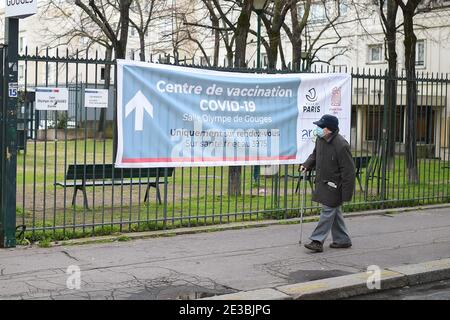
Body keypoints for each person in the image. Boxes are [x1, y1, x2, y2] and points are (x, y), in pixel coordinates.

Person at [300, 114, 355, 253]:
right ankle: (343, 240)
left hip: (335, 186)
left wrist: (346, 194)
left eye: (320, 126)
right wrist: (306, 165)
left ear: (328, 129)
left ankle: (317, 241)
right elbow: (314, 155)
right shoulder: (320, 139)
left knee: (327, 210)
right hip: (323, 182)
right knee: (333, 212)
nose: (317, 128)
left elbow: (348, 171)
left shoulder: (341, 145)